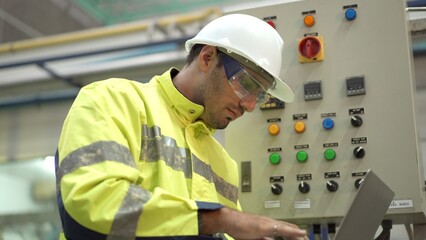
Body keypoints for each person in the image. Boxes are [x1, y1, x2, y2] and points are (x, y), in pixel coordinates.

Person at [55, 13, 308, 240]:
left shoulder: (223, 163)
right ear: (207, 58)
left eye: (260, 96)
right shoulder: (114, 101)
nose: (251, 105)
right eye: (247, 85)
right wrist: (218, 219)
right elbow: (94, 203)